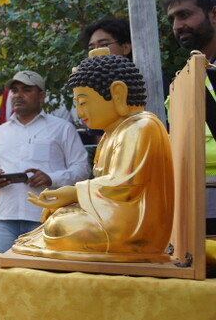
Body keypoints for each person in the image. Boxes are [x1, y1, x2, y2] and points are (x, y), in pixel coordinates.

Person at [13, 54, 173, 261]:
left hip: (134, 228)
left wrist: (75, 193)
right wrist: (71, 200)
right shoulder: (111, 133)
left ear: (118, 94)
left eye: (83, 102)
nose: (80, 113)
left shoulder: (141, 126)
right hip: (112, 215)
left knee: (58, 226)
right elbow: (103, 183)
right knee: (58, 215)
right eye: (77, 104)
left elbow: (124, 185)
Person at [0, 70, 90, 254]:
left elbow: (82, 168)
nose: (18, 95)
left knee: (43, 269)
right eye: (14, 90)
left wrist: (51, 178)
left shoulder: (62, 128)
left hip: (47, 217)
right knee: (6, 268)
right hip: (6, 217)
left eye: (26, 90)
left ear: (42, 95)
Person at [163, 0, 216, 234]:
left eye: (184, 15)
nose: (177, 25)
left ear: (214, 14)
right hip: (193, 208)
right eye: (172, 19)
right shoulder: (186, 77)